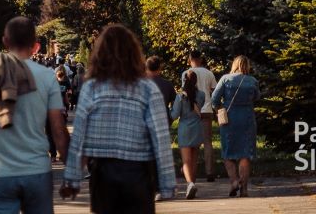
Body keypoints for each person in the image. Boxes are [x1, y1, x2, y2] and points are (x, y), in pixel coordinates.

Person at [60, 24, 175, 213]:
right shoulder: (148, 89)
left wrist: (72, 177)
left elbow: (79, 135)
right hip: (138, 174)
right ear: (134, 54)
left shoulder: (92, 88)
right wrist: (167, 183)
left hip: (103, 176)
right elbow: (160, 138)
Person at [0, 17, 68, 214]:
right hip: (36, 170)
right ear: (35, 45)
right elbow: (58, 130)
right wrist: (71, 171)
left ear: (5, 41)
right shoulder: (47, 77)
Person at [211, 56, 261, 198]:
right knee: (245, 154)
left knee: (228, 152)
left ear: (234, 65)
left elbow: (214, 99)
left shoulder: (226, 79)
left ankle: (233, 182)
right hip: (247, 119)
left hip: (229, 119)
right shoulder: (252, 81)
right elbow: (257, 97)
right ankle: (244, 189)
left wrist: (220, 109)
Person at [169, 70, 205, 200]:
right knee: (194, 160)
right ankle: (192, 184)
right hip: (197, 128)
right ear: (196, 81)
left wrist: (168, 109)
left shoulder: (180, 97)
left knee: (186, 161)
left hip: (184, 129)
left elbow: (174, 115)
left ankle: (190, 184)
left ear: (184, 81)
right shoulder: (202, 95)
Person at [186, 50, 218, 181]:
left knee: (193, 143)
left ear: (189, 59)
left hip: (192, 111)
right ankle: (209, 172)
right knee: (207, 142)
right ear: (201, 59)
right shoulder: (208, 73)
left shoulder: (186, 73)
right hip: (206, 110)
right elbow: (214, 91)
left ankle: (192, 173)